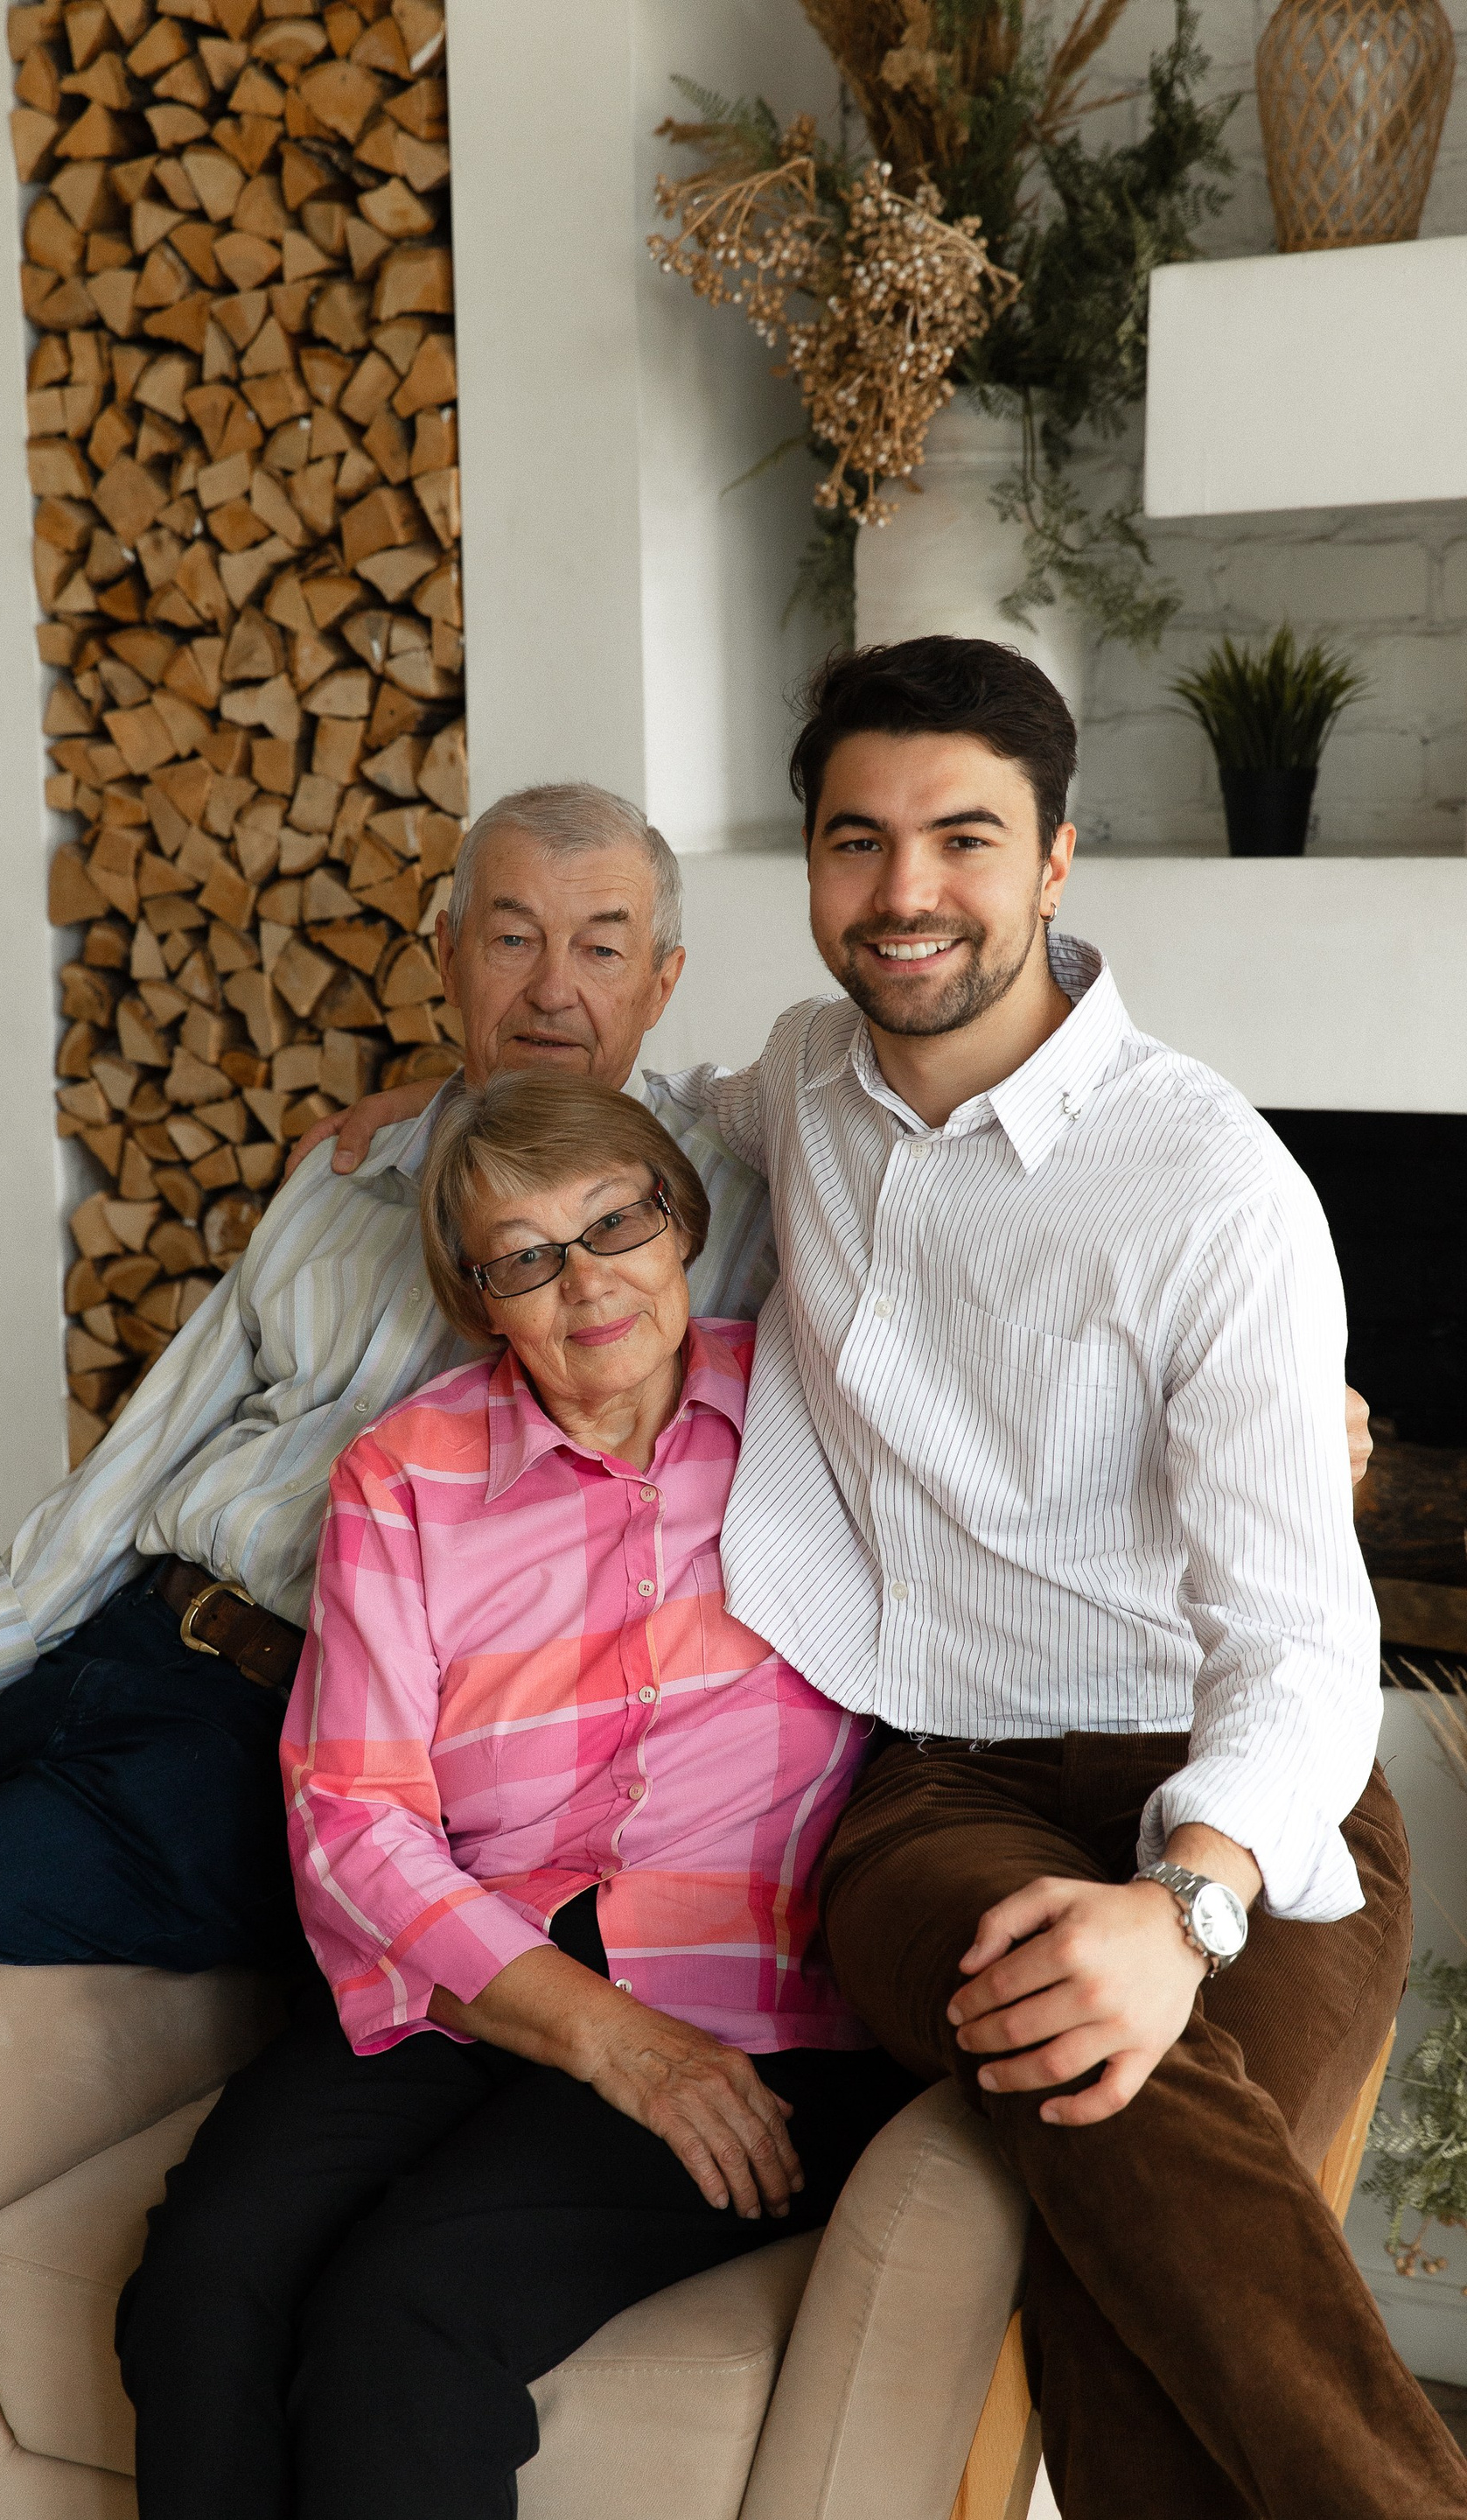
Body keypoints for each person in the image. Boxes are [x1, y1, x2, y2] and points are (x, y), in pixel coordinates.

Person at [321, 639, 1443, 2518]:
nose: (906, 890)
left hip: (1243, 1789)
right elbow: (630, 1130)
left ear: (1057, 860)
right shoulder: (799, 1084)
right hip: (939, 1794)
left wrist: (1183, 1907)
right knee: (1083, 2071)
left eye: (964, 838)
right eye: (859, 840)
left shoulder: (1214, 1187)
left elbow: (1307, 1647)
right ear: (815, 868)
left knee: (1118, 2191)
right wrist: (422, 1116)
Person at [0, 785, 776, 2349]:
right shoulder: (348, 1177)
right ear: (443, 956)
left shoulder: (705, 1213)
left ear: (664, 982)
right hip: (114, 1659)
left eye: (603, 948)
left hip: (273, 1746)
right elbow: (142, 1458)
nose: (553, 989)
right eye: (511, 939)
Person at [116, 1074, 911, 2520]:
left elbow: (1041, 1468)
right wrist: (604, 2037)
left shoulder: (818, 1412)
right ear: (481, 1300)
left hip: (743, 2002)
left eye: (616, 1224)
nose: (587, 1281)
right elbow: (353, 1814)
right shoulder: (406, 1474)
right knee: (202, 2284)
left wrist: (1291, 1426)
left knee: (403, 2325)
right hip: (475, 1979)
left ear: (683, 1223)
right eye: (526, 1256)